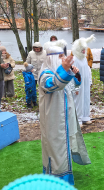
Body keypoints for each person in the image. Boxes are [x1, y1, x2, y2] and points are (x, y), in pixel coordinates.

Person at [39, 39, 90, 185]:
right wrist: (65, 70)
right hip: (54, 121)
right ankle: (57, 179)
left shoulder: (61, 72)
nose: (62, 59)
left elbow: (72, 84)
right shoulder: (45, 74)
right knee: (56, 150)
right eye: (60, 57)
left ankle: (66, 174)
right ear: (52, 58)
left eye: (63, 56)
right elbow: (54, 84)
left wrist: (75, 75)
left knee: (65, 146)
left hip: (66, 118)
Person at [71, 35, 95, 125]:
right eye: (81, 49)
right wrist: (75, 87)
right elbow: (73, 74)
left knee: (86, 99)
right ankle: (78, 120)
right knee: (78, 101)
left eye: (84, 49)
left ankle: (85, 116)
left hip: (85, 84)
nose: (83, 50)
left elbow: (88, 70)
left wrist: (89, 81)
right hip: (78, 84)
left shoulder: (84, 59)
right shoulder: (74, 59)